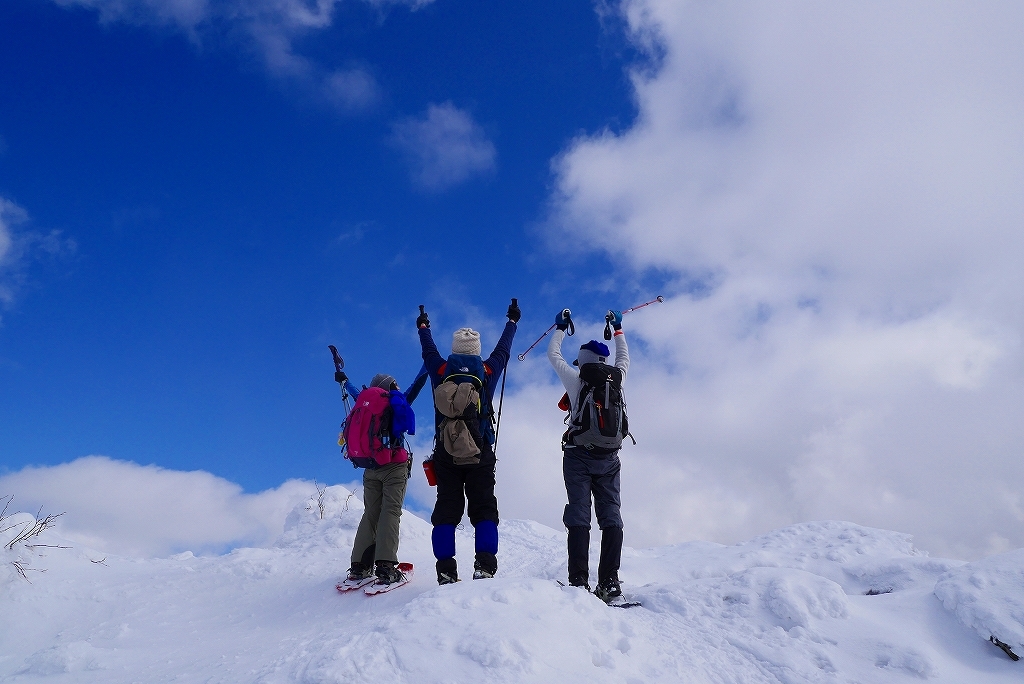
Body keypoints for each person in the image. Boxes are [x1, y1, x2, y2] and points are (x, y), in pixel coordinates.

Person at [417, 300, 519, 584]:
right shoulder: (487, 371)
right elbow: (504, 350)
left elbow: (428, 350)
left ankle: (446, 571)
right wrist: (512, 322)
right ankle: (484, 566)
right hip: (480, 450)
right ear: (476, 350)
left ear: (453, 350)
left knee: (446, 511)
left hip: (445, 453)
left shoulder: (439, 370)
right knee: (484, 507)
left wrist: (424, 326)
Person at [547, 309, 629, 602]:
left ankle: (579, 581)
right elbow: (624, 357)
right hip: (610, 458)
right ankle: (609, 582)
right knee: (611, 516)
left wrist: (560, 327)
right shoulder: (618, 378)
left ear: (582, 361)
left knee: (579, 514)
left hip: (578, 455)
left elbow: (553, 354)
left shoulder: (576, 378)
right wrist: (617, 328)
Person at [335, 368, 427, 587]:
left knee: (370, 514)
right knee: (390, 512)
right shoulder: (396, 401)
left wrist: (345, 379)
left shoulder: (364, 403)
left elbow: (355, 391)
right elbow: (418, 383)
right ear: (391, 386)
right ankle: (386, 568)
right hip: (394, 466)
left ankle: (359, 567)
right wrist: (427, 364)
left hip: (369, 467)